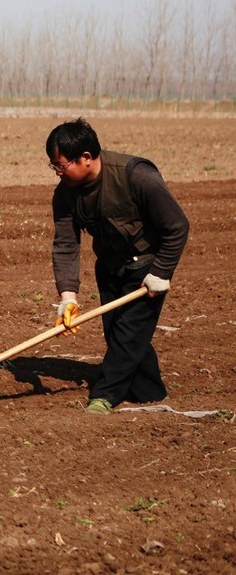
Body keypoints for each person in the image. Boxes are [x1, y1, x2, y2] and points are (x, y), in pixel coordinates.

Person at [46, 118, 189, 414]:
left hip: (146, 269)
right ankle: (150, 392)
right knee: (117, 333)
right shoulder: (65, 193)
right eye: (54, 167)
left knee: (127, 335)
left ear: (86, 157)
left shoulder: (136, 176)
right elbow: (66, 244)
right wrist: (68, 297)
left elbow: (177, 226)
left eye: (61, 166)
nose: (58, 173)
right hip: (109, 268)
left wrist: (161, 273)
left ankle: (104, 396)